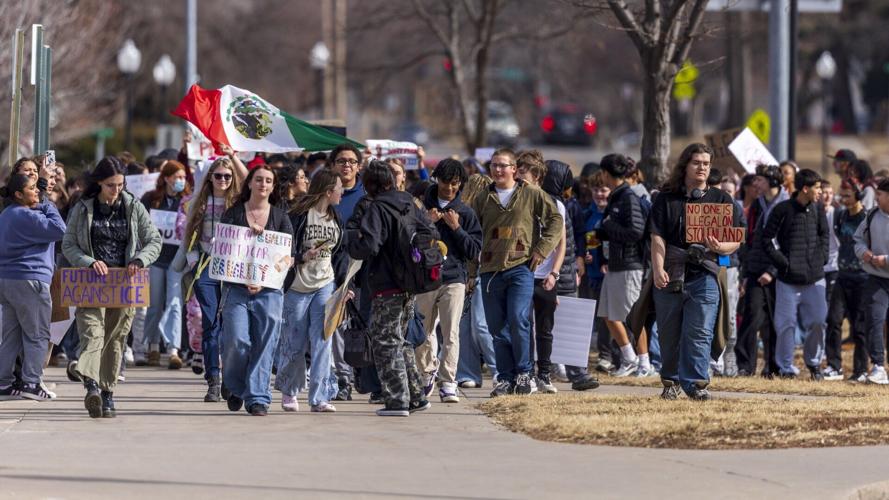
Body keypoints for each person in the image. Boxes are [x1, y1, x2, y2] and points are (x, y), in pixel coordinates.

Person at [62, 156, 162, 418]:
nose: (116, 190)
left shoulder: (133, 206)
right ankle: (92, 386)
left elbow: (154, 240)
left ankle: (107, 393)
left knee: (115, 339)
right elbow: (68, 244)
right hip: (92, 281)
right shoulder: (82, 208)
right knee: (93, 333)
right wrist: (89, 261)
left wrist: (140, 259)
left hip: (124, 282)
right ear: (98, 183)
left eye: (120, 184)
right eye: (110, 185)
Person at [650, 144, 741, 400]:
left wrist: (720, 246)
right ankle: (670, 381)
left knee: (700, 331)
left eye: (706, 163)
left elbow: (735, 239)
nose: (702, 168)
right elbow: (657, 238)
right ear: (685, 166)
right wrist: (658, 269)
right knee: (669, 333)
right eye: (697, 163)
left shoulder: (722, 199)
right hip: (671, 272)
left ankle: (697, 385)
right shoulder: (666, 198)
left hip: (705, 273)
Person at [472, 148, 562, 397]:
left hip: (520, 268)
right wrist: (471, 272)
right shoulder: (482, 198)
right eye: (494, 165)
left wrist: (542, 250)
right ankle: (505, 378)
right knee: (497, 328)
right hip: (490, 270)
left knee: (518, 320)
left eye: (503, 165)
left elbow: (555, 220)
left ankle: (524, 373)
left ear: (514, 169)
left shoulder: (532, 193)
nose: (498, 170)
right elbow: (473, 234)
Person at [346, 160, 431, 417]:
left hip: (386, 284)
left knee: (384, 341)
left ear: (371, 184)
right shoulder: (409, 202)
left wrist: (350, 239)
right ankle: (416, 396)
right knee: (401, 340)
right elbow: (430, 231)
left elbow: (368, 246)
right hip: (410, 283)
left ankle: (397, 401)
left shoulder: (377, 207)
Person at [219, 165, 293, 416]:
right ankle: (235, 386)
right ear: (249, 183)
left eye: (268, 181)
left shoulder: (281, 218)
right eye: (258, 179)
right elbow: (223, 249)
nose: (263, 184)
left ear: (273, 187)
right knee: (237, 340)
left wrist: (264, 280)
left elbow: (286, 259)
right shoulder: (233, 214)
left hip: (269, 290)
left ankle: (258, 397)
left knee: (265, 342)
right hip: (236, 289)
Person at [276, 170, 346, 412]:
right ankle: (289, 391)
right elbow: (281, 252)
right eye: (339, 188)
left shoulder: (336, 217)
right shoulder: (297, 215)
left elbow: (340, 255)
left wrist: (344, 286)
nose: (342, 192)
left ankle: (320, 396)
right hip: (297, 286)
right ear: (328, 191)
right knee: (294, 342)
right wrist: (301, 257)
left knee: (322, 340)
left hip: (325, 284)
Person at [174, 156, 241, 401]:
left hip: (232, 270)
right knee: (211, 324)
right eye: (218, 175)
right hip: (205, 268)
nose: (223, 180)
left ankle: (230, 379)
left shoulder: (238, 205)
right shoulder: (199, 204)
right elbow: (189, 233)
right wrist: (194, 261)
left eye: (228, 176)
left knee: (232, 327)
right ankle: (213, 380)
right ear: (210, 177)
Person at [415, 159, 482, 403]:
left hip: (454, 278)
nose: (450, 189)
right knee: (421, 332)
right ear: (436, 180)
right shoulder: (421, 207)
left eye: (455, 184)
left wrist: (457, 228)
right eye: (446, 183)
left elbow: (475, 250)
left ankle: (448, 381)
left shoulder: (465, 212)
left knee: (451, 332)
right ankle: (426, 372)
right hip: (425, 279)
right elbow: (407, 239)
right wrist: (426, 223)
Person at [0, 175, 67, 401]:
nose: (37, 192)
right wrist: (47, 203)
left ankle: (4, 383)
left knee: (12, 335)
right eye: (32, 189)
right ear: (18, 194)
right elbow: (60, 230)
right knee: (37, 334)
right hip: (31, 279)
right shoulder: (26, 215)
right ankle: (31, 382)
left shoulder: (6, 215)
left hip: (8, 280)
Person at [761, 169, 829, 380]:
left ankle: (814, 363)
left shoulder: (818, 209)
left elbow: (824, 234)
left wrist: (822, 259)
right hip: (787, 281)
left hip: (814, 279)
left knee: (819, 321)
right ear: (805, 189)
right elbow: (767, 239)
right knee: (785, 325)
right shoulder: (782, 210)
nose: (821, 192)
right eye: (817, 188)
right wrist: (784, 263)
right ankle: (785, 368)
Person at [515, 154, 565, 393]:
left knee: (544, 328)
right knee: (522, 325)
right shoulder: (514, 199)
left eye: (523, 174)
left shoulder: (554, 204)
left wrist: (554, 273)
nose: (518, 178)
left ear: (537, 178)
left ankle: (544, 374)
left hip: (545, 276)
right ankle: (526, 374)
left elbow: (561, 242)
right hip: (521, 274)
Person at [596, 154, 649, 377]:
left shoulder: (627, 197)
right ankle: (628, 358)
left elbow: (637, 231)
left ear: (607, 173)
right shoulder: (616, 197)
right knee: (608, 313)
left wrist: (609, 226)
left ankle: (645, 364)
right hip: (615, 264)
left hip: (630, 264)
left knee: (632, 315)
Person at [734, 164, 788, 378]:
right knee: (751, 318)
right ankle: (745, 365)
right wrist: (746, 273)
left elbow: (787, 243)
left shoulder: (785, 205)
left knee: (775, 323)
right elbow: (752, 239)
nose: (756, 184)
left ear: (773, 182)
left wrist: (772, 271)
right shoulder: (757, 205)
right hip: (755, 270)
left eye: (760, 180)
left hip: (777, 273)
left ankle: (773, 366)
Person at [141, 160, 191, 369]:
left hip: (176, 260)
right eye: (177, 177)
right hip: (155, 259)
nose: (180, 181)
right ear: (167, 178)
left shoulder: (187, 201)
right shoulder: (152, 199)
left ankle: (173, 349)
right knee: (153, 304)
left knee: (175, 304)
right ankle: (153, 346)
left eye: (183, 177)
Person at [454, 174, 497, 389]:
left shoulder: (488, 214)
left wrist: (472, 274)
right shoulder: (466, 213)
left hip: (482, 273)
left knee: (480, 325)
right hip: (466, 274)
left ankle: (500, 369)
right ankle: (467, 372)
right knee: (464, 326)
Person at [329, 143, 365, 400]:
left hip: (362, 270)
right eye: (342, 161)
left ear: (359, 166)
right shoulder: (325, 194)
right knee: (337, 326)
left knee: (362, 326)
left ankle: (364, 375)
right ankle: (343, 380)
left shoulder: (366, 194)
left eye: (351, 161)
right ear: (333, 165)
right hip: (328, 270)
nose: (347, 166)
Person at [825, 181, 868, 381]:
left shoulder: (867, 218)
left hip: (862, 278)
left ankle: (860, 370)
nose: (843, 200)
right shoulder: (841, 215)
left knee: (859, 327)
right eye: (841, 196)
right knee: (833, 320)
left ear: (858, 196)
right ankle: (834, 366)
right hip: (842, 275)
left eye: (847, 195)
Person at [853, 179, 889, 385]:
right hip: (877, 279)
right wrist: (863, 253)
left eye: (881, 195)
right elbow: (858, 239)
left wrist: (886, 260)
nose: (876, 198)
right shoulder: (872, 215)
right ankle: (878, 366)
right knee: (874, 320)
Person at [579, 172, 614, 374]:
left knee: (610, 316)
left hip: (610, 272)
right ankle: (601, 354)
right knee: (597, 316)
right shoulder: (587, 215)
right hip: (591, 273)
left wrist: (606, 260)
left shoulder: (613, 213)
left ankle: (608, 355)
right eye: (596, 190)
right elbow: (586, 241)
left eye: (603, 190)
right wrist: (586, 255)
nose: (600, 194)